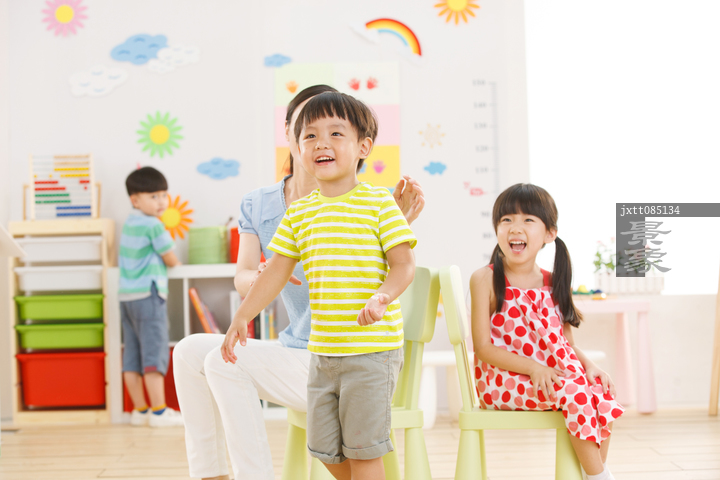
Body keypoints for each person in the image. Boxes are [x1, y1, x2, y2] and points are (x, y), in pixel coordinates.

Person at [172, 85, 425, 480]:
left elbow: (403, 264)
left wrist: (383, 296)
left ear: (364, 147)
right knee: (325, 450)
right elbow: (274, 270)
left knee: (363, 452)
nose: (321, 142)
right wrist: (242, 316)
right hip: (320, 352)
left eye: (335, 133)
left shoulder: (380, 204)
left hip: (370, 352)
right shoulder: (298, 213)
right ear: (294, 141)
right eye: (310, 134)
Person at [469, 183, 624, 480]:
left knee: (600, 391)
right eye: (506, 219)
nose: (515, 227)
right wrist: (534, 368)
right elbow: (483, 348)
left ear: (549, 234)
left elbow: (566, 344)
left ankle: (592, 473)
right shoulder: (484, 279)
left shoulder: (555, 282)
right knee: (575, 393)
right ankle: (600, 477)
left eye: (528, 219)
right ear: (497, 229)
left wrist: (590, 367)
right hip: (503, 380)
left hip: (550, 377)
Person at [120, 166, 183, 427]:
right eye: (154, 196)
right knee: (154, 353)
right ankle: (159, 412)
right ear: (135, 200)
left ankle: (140, 410)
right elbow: (171, 259)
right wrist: (175, 262)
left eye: (164, 195)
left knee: (132, 356)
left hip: (127, 298)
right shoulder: (153, 225)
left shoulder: (130, 223)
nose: (161, 202)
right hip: (149, 295)